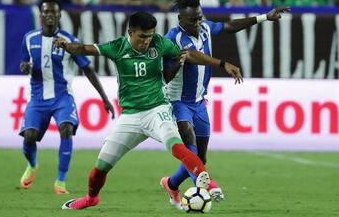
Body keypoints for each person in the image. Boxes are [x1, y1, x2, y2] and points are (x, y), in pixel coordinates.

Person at [53, 11, 243, 210]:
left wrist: (222, 63)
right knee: (99, 169)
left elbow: (188, 54)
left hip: (157, 110)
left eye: (150, 36)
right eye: (142, 37)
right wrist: (67, 46)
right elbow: (84, 48)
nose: (146, 41)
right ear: (130, 32)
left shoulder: (160, 43)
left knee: (178, 147)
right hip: (129, 117)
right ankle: (91, 198)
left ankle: (208, 182)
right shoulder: (117, 47)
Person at [160, 0, 290, 208]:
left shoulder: (205, 28)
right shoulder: (172, 38)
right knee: (189, 144)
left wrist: (263, 17)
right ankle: (209, 185)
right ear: (181, 19)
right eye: (193, 19)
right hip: (177, 102)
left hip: (199, 102)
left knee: (200, 159)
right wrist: (223, 64)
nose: (198, 22)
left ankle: (171, 184)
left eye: (200, 17)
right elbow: (192, 56)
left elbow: (229, 26)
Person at [19, 0, 115, 195]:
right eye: (46, 12)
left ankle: (60, 181)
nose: (50, 16)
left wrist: (104, 98)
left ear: (60, 15)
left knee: (66, 129)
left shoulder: (70, 41)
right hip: (37, 98)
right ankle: (33, 164)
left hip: (62, 97)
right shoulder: (29, 38)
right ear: (40, 15)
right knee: (29, 137)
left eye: (54, 12)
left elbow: (87, 69)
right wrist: (25, 67)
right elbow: (24, 63)